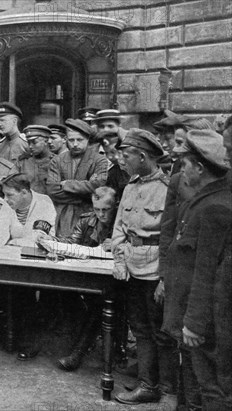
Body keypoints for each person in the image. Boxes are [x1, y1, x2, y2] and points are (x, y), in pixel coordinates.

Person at [161, 130, 232, 410]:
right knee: (194, 385)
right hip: (195, 316)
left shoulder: (216, 208)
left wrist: (194, 322)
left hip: (204, 322)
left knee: (211, 390)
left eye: (185, 164)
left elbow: (207, 272)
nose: (182, 171)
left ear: (200, 168)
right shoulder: (206, 200)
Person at [111, 129, 178, 405]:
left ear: (142, 156)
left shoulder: (168, 189)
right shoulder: (130, 186)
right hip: (131, 264)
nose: (121, 161)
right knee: (139, 328)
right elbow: (119, 229)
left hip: (156, 267)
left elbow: (173, 237)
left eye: (126, 156)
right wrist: (119, 259)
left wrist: (165, 277)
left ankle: (166, 389)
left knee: (162, 332)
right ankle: (148, 382)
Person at [54, 186, 118, 371]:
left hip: (114, 280)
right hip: (87, 276)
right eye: (97, 209)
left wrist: (117, 244)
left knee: (99, 305)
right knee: (63, 293)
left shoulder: (122, 223)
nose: (101, 214)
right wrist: (52, 242)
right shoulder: (87, 220)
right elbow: (72, 243)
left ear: (115, 206)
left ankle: (78, 353)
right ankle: (77, 345)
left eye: (106, 210)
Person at [47, 118, 109, 237]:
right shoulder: (57, 160)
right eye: (71, 140)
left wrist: (67, 185)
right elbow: (52, 190)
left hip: (90, 217)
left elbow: (99, 187)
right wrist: (85, 194)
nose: (75, 144)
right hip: (64, 216)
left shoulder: (99, 160)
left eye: (80, 140)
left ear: (87, 140)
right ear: (66, 140)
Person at [0, 173, 56, 250]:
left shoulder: (44, 202)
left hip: (39, 256)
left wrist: (13, 242)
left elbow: (39, 240)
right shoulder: (7, 204)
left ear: (24, 193)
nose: (5, 199)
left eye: (9, 195)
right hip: (13, 254)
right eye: (4, 195)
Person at [16, 125, 54, 195]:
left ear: (46, 141)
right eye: (28, 142)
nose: (30, 146)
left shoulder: (56, 161)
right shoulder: (23, 162)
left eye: (34, 142)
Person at [99, 130, 130, 200]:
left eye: (113, 152)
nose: (109, 157)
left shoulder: (141, 167)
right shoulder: (113, 173)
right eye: (106, 153)